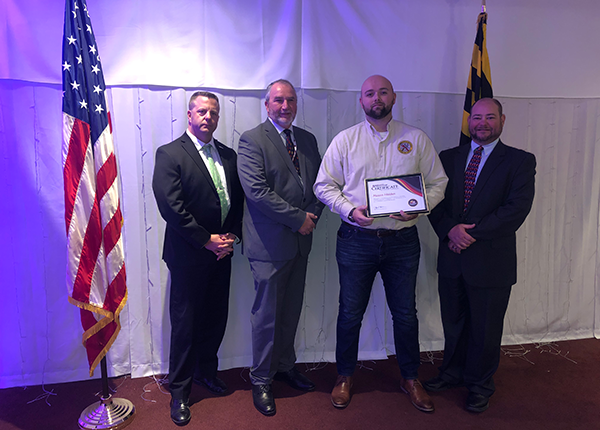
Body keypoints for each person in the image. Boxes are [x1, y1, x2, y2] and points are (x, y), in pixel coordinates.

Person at [314, 74, 448, 412]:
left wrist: (419, 208)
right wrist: (348, 209)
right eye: (370, 93)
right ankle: (344, 375)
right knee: (349, 314)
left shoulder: (415, 139)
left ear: (394, 97)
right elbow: (323, 185)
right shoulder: (345, 141)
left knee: (405, 314)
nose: (377, 98)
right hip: (356, 240)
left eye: (383, 92)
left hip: (402, 241)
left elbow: (438, 183)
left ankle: (410, 377)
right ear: (361, 101)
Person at [424, 98, 536, 413]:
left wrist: (469, 233)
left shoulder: (520, 161)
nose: (482, 123)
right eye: (476, 118)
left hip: (491, 261)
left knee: (485, 328)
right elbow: (434, 202)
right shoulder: (447, 158)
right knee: (454, 323)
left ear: (502, 120)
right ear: (468, 121)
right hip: (452, 259)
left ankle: (479, 384)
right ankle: (451, 373)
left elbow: (516, 209)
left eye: (489, 117)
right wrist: (450, 230)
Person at [152, 91, 244, 426]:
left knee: (215, 317)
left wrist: (230, 236)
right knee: (186, 323)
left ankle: (207, 372)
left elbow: (237, 202)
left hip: (222, 252)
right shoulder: (170, 154)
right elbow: (171, 207)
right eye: (202, 111)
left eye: (214, 113)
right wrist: (205, 240)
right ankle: (179, 390)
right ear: (189, 115)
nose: (208, 117)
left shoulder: (229, 156)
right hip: (189, 254)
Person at [237, 79, 324, 416]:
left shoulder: (307, 139)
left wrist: (313, 215)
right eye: (278, 100)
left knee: (290, 311)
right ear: (266, 104)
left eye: (290, 100)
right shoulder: (252, 140)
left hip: (301, 243)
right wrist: (298, 219)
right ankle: (260, 378)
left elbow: (319, 184)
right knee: (267, 317)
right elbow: (257, 192)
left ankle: (285, 367)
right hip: (269, 246)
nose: (285, 106)